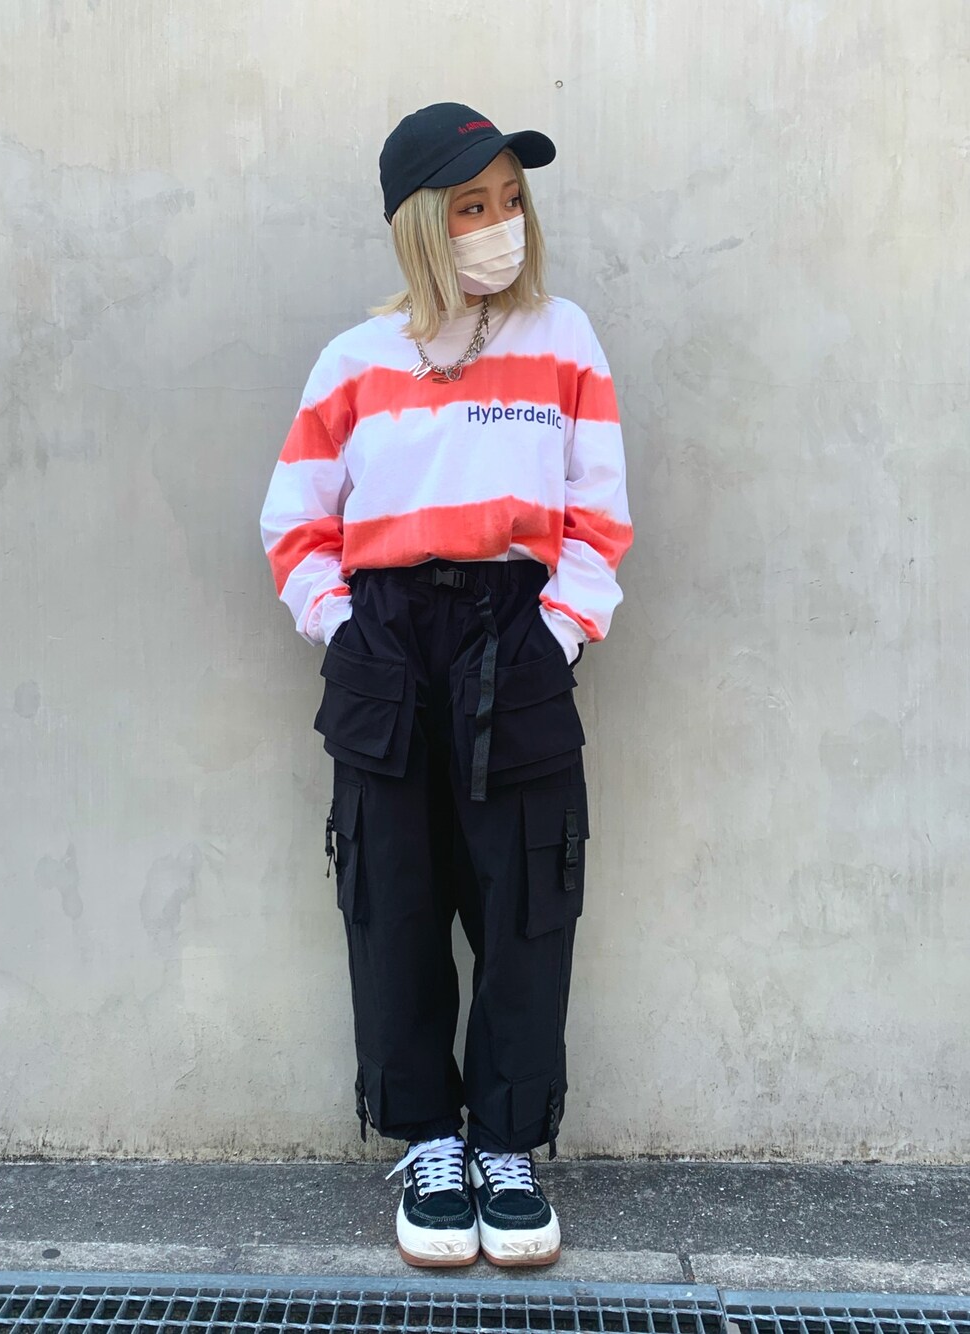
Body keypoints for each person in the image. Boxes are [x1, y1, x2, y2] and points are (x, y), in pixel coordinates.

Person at [260, 102, 632, 1269]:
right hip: (387, 637)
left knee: (527, 893)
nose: (499, 224)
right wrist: (344, 632)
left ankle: (506, 1143)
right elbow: (294, 522)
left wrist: (556, 634)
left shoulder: (563, 337)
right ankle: (428, 1139)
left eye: (510, 199)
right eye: (471, 205)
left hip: (515, 632)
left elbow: (598, 516)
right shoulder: (354, 360)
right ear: (422, 223)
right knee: (395, 893)